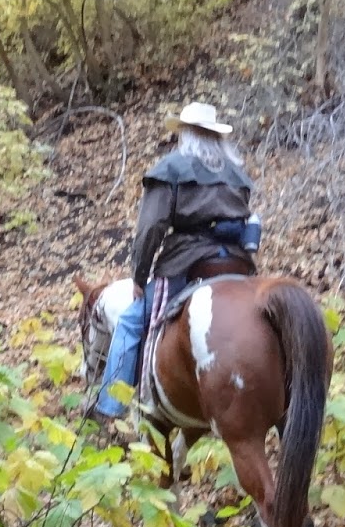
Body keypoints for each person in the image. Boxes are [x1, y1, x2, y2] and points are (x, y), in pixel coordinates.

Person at [93, 102, 263, 421]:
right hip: (237, 262)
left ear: (185, 135)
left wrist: (139, 276)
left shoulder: (171, 168)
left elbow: (150, 229)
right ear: (215, 137)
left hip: (188, 261)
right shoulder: (237, 173)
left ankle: (110, 407)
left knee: (130, 323)